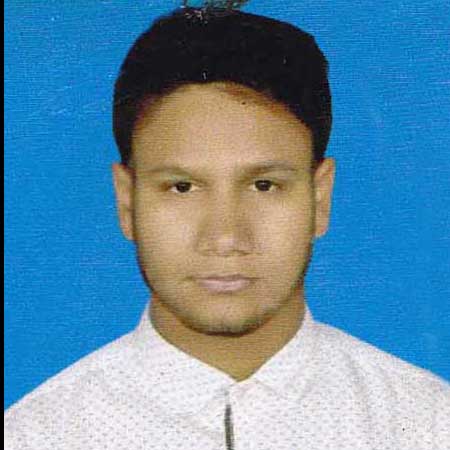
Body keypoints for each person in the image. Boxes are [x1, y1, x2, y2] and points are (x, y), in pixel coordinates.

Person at [4, 5, 449, 449]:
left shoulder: (428, 424)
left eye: (264, 185)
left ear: (319, 198)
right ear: (127, 201)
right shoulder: (36, 436)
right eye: (182, 187)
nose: (225, 238)